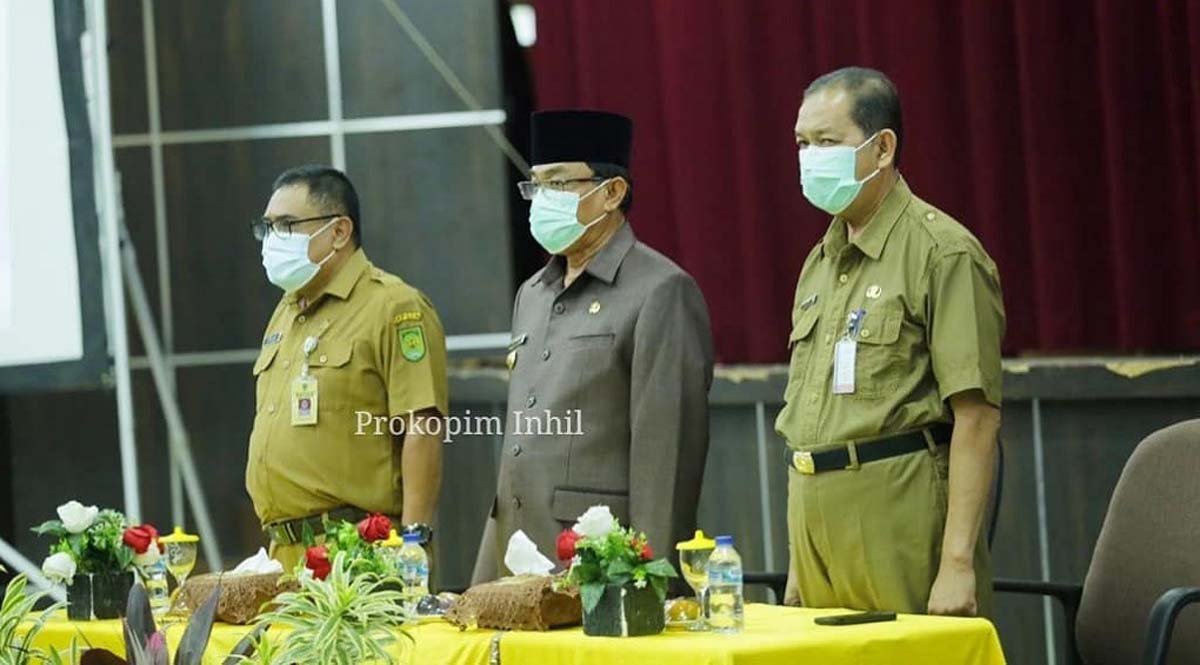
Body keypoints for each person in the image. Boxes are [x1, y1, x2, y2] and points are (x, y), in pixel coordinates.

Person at [778, 67, 1004, 617]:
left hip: (895, 511)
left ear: (882, 149)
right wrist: (797, 561)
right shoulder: (820, 261)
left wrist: (956, 563)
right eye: (803, 143)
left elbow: (976, 417)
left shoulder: (942, 252)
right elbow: (812, 413)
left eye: (828, 143)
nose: (811, 157)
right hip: (813, 520)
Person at [472, 110, 714, 582]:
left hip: (602, 561)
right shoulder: (533, 294)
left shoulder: (659, 290)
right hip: (518, 552)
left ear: (612, 192)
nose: (543, 199)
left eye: (559, 184)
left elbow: (666, 456)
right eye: (536, 186)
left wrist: (649, 580)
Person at [245, 165, 447, 572]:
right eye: (267, 228)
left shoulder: (393, 306)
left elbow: (422, 427)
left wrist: (413, 541)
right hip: (285, 555)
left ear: (339, 232)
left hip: (360, 550)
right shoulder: (287, 311)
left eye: (287, 225)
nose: (272, 241)